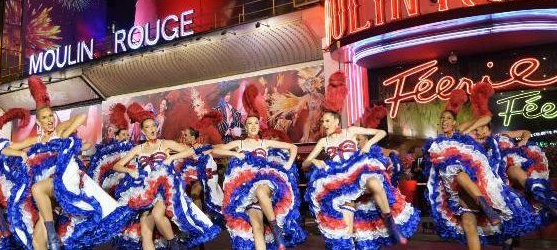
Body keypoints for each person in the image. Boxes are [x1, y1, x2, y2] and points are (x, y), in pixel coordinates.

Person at [4, 76, 131, 250]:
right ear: (39, 121)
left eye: (51, 116)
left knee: (37, 189)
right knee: (37, 243)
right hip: (48, 196)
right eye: (45, 117)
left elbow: (79, 117)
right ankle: (52, 236)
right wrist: (19, 153)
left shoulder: (59, 130)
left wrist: (66, 133)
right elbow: (6, 149)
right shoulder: (37, 139)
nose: (49, 120)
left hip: (65, 181)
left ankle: (52, 235)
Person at [304, 72, 418, 250]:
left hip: (356, 170)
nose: (324, 124)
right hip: (338, 180)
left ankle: (390, 223)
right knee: (347, 230)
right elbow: (304, 164)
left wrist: (368, 144)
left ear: (336, 120)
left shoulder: (351, 131)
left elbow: (381, 133)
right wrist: (314, 162)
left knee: (374, 182)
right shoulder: (323, 142)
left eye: (326, 121)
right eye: (322, 122)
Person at [423, 85, 539, 250]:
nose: (444, 121)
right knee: (469, 224)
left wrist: (468, 129)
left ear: (456, 123)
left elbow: (485, 117)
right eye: (442, 119)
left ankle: (494, 214)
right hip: (459, 191)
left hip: (486, 186)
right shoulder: (438, 144)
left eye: (448, 119)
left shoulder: (471, 135)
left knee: (506, 223)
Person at [114, 102, 220, 250]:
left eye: (153, 126)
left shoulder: (165, 144)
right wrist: (130, 171)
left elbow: (191, 151)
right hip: (145, 190)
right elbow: (117, 166)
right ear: (143, 131)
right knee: (145, 231)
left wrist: (171, 158)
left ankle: (174, 244)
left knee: (157, 214)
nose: (152, 129)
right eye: (148, 127)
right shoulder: (138, 148)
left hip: (165, 188)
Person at [213, 83, 305, 250]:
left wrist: (288, 165)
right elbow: (215, 150)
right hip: (244, 190)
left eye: (256, 123)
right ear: (246, 127)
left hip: (264, 181)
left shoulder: (264, 143)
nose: (253, 126)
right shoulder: (239, 143)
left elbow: (293, 148)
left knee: (261, 190)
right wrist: (235, 154)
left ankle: (277, 232)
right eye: (250, 124)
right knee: (257, 228)